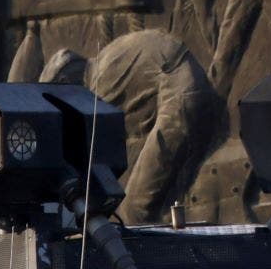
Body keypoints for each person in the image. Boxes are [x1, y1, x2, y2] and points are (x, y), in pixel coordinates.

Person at [41, 34, 224, 224]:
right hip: (184, 82)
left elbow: (101, 144)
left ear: (64, 79)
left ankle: (147, 252)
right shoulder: (106, 57)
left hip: (180, 95)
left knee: (135, 206)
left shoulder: (98, 83)